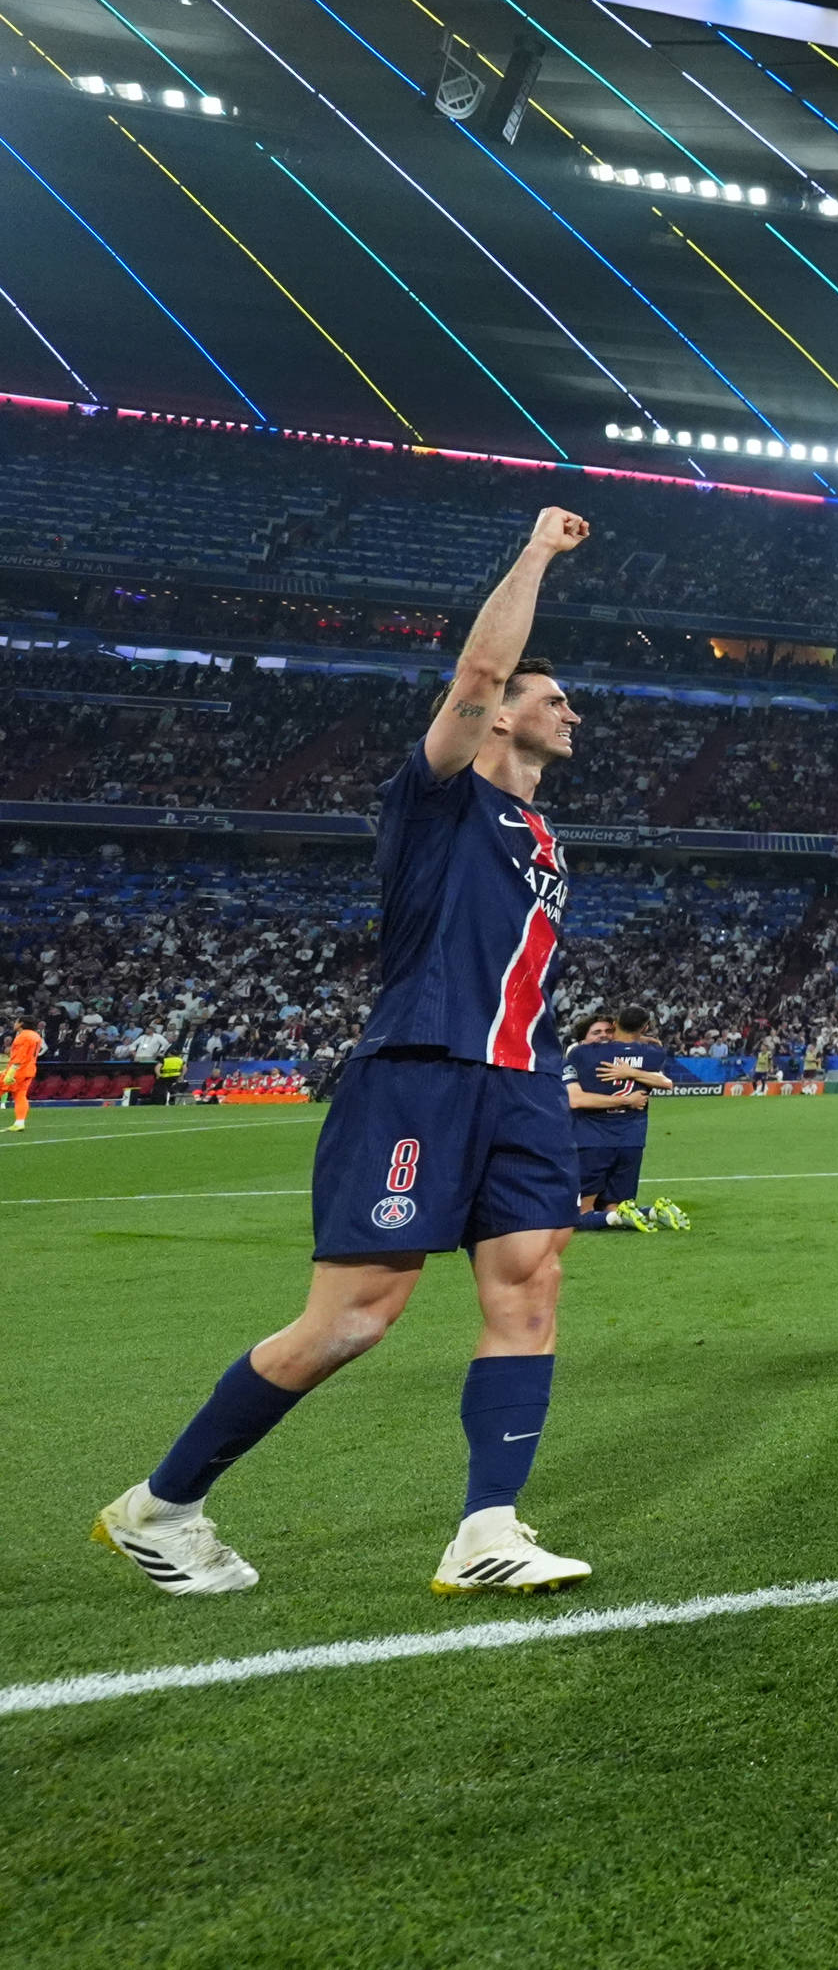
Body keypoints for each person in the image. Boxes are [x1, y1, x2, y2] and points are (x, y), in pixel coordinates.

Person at [96, 506, 602, 1600]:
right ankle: (162, 1506)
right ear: (498, 715)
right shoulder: (437, 798)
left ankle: (486, 1528)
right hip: (421, 1069)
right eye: (552, 697)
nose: (572, 711)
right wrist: (536, 552)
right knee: (356, 1317)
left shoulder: (546, 835)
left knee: (532, 1286)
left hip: (522, 1081)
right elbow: (479, 668)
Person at [563, 1005, 686, 1234]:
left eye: (607, 1031)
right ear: (645, 1028)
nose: (603, 1036)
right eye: (597, 1032)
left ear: (615, 1025)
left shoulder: (581, 1055)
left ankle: (617, 1218)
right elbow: (663, 1071)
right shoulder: (654, 1054)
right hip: (632, 1138)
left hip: (593, 1138)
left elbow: (576, 1098)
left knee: (579, 1214)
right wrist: (634, 1065)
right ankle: (652, 1212)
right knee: (617, 1205)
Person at [3, 1013, 36, 1130]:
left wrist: (11, 1072)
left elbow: (20, 1056)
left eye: (16, 1021)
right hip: (30, 1069)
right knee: (20, 1095)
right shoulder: (36, 1036)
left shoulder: (23, 1036)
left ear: (21, 1023)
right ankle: (19, 1123)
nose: (14, 1024)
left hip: (18, 1070)